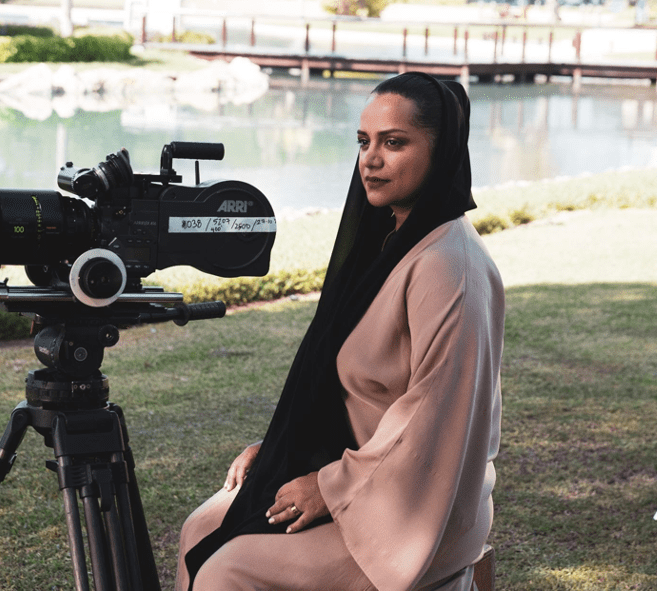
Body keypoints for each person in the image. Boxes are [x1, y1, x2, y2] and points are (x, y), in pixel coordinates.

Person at [174, 72, 504, 591]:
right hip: (354, 469)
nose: (370, 160)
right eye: (363, 142)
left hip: (408, 506)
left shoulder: (447, 267)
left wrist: (327, 488)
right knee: (200, 528)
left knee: (227, 569)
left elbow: (431, 419)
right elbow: (343, 387)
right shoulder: (390, 243)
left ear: (441, 151)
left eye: (393, 143)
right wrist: (285, 449)